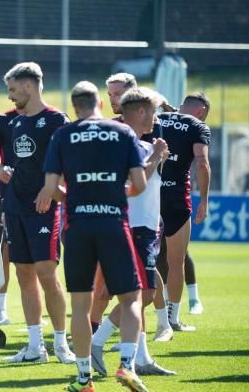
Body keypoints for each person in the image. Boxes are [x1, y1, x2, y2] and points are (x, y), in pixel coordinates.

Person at [38, 81, 148, 392]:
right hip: (113, 223)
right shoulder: (123, 132)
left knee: (81, 306)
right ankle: (126, 367)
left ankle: (84, 379)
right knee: (131, 299)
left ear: (74, 107)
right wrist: (116, 192)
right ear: (100, 102)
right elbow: (138, 185)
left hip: (79, 227)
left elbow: (50, 190)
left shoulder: (63, 135)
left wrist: (73, 197)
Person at [90, 87, 176, 377]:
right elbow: (134, 179)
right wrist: (157, 155)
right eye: (152, 112)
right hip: (133, 228)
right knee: (143, 294)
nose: (155, 119)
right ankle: (98, 342)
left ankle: (140, 359)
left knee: (137, 295)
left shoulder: (136, 142)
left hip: (144, 228)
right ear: (140, 112)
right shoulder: (125, 142)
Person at [0, 62, 75, 365]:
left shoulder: (57, 120)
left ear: (29, 86)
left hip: (44, 209)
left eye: (13, 90)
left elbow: (69, 164)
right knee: (23, 274)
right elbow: (25, 163)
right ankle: (34, 347)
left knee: (47, 273)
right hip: (16, 208)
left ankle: (60, 344)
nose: (10, 97)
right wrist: (9, 173)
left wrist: (52, 187)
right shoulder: (16, 123)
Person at [157, 92, 211, 332]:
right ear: (201, 112)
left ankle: (132, 316)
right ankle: (172, 319)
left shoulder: (157, 118)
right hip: (176, 198)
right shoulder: (197, 126)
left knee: (140, 259)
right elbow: (202, 163)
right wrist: (204, 200)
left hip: (148, 196)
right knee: (176, 262)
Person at [0, 106, 21, 325]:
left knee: (42, 260)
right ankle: (0, 309)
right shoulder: (3, 119)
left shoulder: (52, 118)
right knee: (4, 252)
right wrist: (0, 168)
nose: (12, 94)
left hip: (38, 197)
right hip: (8, 197)